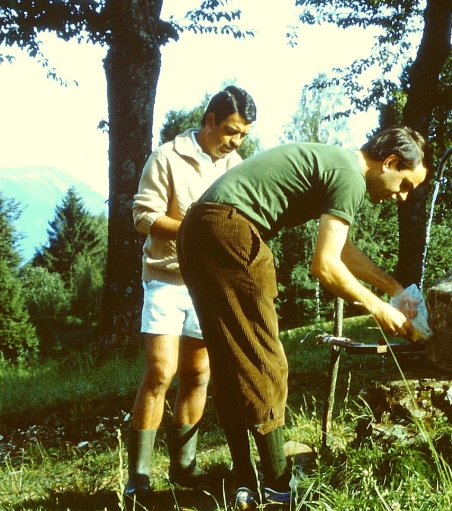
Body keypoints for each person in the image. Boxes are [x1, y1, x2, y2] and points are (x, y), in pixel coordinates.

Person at [176, 126, 428, 508]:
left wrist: (393, 289)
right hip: (232, 231)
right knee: (265, 363)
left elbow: (342, 250)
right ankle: (279, 488)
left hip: (197, 229)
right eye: (405, 184)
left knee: (229, 362)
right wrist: (378, 308)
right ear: (390, 162)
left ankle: (243, 480)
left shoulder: (337, 163)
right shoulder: (351, 177)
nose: (402, 197)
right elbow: (325, 266)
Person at [125, 86, 257, 498]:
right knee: (161, 372)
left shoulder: (236, 166)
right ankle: (139, 479)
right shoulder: (166, 157)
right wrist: (193, 232)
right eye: (230, 131)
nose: (234, 142)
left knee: (198, 374)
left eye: (243, 136)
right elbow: (143, 214)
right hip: (166, 278)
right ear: (210, 121)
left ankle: (183, 470)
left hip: (211, 284)